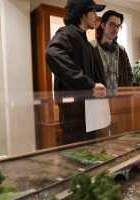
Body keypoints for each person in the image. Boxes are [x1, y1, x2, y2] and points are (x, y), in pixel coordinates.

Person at [45, 0, 106, 144]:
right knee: (74, 156)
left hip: (86, 111)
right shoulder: (68, 32)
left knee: (88, 154)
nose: (96, 16)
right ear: (83, 14)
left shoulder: (82, 38)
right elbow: (52, 53)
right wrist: (88, 85)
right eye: (93, 11)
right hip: (75, 113)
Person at [90, 10, 133, 94]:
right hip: (99, 101)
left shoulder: (122, 50)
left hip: (120, 101)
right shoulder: (91, 48)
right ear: (103, 25)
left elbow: (130, 76)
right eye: (112, 24)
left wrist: (126, 92)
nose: (115, 29)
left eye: (118, 26)